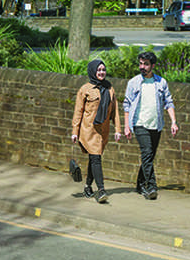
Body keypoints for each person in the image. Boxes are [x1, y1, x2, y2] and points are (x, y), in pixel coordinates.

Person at [121, 50, 180, 200]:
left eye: (146, 64)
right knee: (146, 153)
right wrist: (126, 126)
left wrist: (173, 122)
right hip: (139, 124)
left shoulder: (161, 82)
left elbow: (169, 102)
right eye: (140, 63)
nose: (142, 67)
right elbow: (126, 105)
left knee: (149, 157)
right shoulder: (133, 82)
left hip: (156, 125)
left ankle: (140, 184)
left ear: (152, 65)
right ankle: (151, 187)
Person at [69, 60, 113, 201]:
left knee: (94, 159)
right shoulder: (85, 89)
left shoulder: (110, 89)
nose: (101, 72)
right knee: (96, 158)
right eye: (98, 70)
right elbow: (78, 112)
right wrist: (75, 132)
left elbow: (115, 112)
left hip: (102, 131)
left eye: (103, 69)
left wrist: (118, 129)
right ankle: (101, 190)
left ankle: (88, 186)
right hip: (88, 130)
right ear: (92, 71)